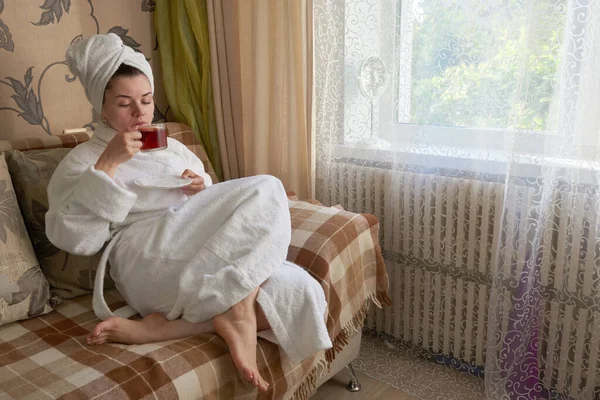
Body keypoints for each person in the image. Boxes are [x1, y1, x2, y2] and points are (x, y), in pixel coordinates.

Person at [45, 33, 332, 392]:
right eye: (124, 103)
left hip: (193, 257)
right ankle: (239, 309)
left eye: (146, 101)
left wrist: (199, 188)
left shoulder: (173, 148)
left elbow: (224, 218)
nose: (139, 113)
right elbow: (75, 239)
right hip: (143, 260)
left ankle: (176, 325)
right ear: (101, 108)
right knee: (267, 187)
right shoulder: (82, 161)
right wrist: (108, 165)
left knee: (303, 291)